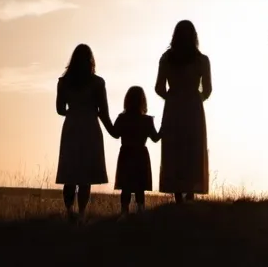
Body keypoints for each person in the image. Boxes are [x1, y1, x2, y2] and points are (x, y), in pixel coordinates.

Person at [155, 19, 211, 201]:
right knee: (192, 149)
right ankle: (191, 194)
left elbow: (159, 88)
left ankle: (177, 193)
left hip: (173, 107)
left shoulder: (166, 58)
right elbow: (208, 89)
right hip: (193, 109)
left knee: (174, 149)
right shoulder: (202, 60)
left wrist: (172, 98)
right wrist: (195, 99)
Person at [55, 44, 113, 220]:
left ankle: (68, 211)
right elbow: (103, 111)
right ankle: (81, 213)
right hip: (90, 127)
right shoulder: (97, 82)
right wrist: (113, 131)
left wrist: (73, 112)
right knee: (85, 174)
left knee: (70, 172)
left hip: (72, 127)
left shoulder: (64, 82)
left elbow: (59, 109)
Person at [111, 85, 160, 214]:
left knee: (126, 186)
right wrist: (165, 127)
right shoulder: (147, 120)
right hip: (141, 155)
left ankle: (124, 212)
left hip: (126, 154)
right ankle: (140, 211)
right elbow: (155, 138)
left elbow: (115, 133)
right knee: (140, 187)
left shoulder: (122, 118)